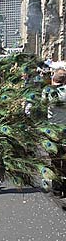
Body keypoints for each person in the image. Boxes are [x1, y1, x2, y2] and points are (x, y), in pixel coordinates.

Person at [42, 68, 66, 197]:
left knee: (55, 159)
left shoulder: (47, 90)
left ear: (54, 78)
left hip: (53, 130)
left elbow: (42, 105)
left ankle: (57, 188)